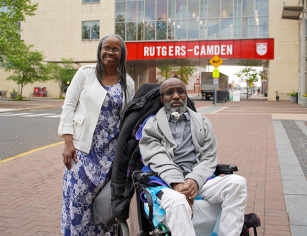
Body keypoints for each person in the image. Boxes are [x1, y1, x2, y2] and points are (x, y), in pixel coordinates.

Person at [139, 78, 248, 236]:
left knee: (238, 183)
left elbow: (209, 157)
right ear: (162, 99)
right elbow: (157, 157)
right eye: (170, 93)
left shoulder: (202, 122)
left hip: (199, 179)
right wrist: (178, 183)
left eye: (180, 92)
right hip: (166, 180)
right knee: (178, 201)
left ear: (186, 96)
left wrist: (194, 180)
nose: (176, 96)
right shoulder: (152, 125)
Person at [58, 34, 135, 236]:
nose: (110, 52)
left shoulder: (127, 82)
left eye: (115, 49)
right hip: (82, 151)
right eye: (106, 47)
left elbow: (129, 118)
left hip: (111, 156)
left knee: (105, 208)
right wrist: (68, 142)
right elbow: (68, 107)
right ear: (100, 50)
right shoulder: (85, 74)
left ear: (122, 54)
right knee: (77, 203)